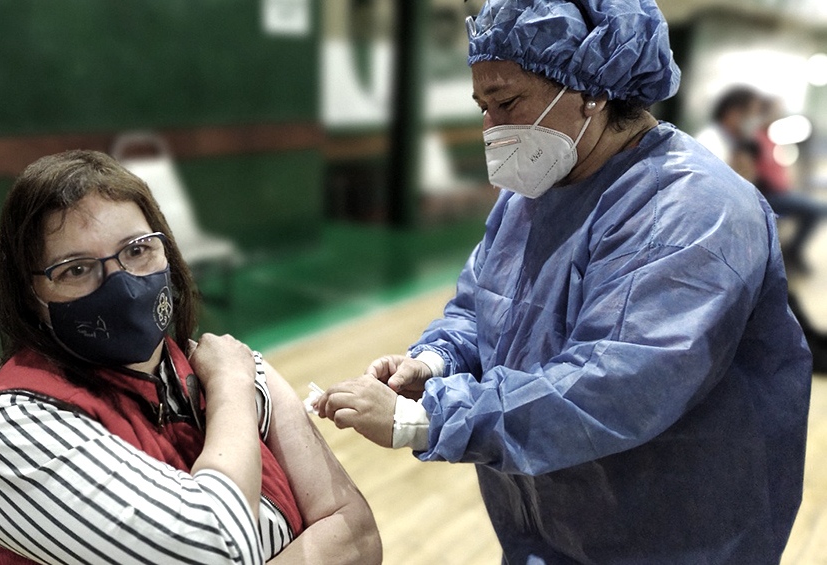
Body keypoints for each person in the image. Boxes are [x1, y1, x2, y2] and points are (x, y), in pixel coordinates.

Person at [313, 0, 813, 562]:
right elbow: (482, 307)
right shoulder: (534, 194)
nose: (491, 129)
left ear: (591, 89)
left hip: (670, 534)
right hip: (548, 523)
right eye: (482, 107)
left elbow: (620, 384)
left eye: (507, 103)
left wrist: (426, 419)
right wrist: (433, 361)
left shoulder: (692, 209)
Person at [0, 150, 382, 565]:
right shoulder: (8, 427)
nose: (122, 286)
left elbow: (358, 535)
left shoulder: (213, 362)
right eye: (76, 269)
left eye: (137, 250)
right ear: (31, 295)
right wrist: (232, 390)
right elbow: (215, 550)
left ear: (166, 251)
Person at [697, 86, 827, 274]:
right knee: (814, 210)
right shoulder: (714, 142)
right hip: (742, 208)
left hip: (757, 200)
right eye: (753, 113)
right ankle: (788, 255)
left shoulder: (748, 141)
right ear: (733, 112)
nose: (756, 118)